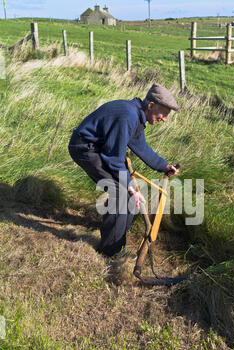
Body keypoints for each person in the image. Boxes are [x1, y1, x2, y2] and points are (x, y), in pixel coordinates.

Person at [68, 83, 180, 258]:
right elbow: (114, 158)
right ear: (150, 106)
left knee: (128, 196)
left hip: (98, 148)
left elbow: (140, 146)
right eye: (164, 114)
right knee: (121, 195)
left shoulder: (136, 115)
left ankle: (118, 234)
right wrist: (129, 187)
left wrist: (163, 166)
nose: (165, 119)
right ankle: (110, 252)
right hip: (84, 148)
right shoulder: (128, 115)